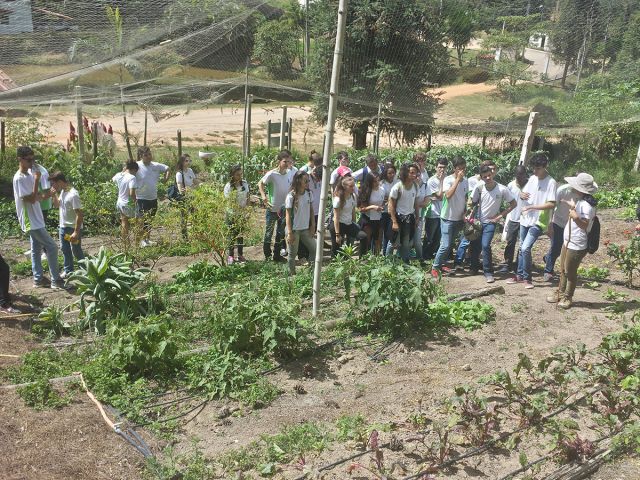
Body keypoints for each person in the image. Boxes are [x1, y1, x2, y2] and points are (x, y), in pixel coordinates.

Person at [13, 146, 66, 289]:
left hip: (36, 217)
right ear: (20, 159)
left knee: (36, 248)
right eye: (28, 160)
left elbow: (36, 197)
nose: (32, 162)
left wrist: (48, 195)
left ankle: (38, 279)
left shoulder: (29, 174)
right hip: (31, 220)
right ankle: (56, 280)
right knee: (52, 247)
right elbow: (30, 199)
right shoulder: (19, 178)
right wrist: (36, 181)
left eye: (33, 159)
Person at [547, 174, 598, 309]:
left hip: (577, 244)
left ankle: (568, 296)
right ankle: (560, 291)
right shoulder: (581, 201)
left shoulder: (587, 206)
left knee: (570, 271)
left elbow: (584, 225)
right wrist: (574, 207)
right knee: (563, 268)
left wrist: (575, 217)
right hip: (569, 240)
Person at [507, 153, 557, 289]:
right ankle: (520, 275)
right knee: (522, 248)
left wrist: (532, 206)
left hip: (539, 221)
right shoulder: (533, 179)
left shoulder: (551, 182)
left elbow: (552, 204)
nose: (535, 171)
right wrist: (522, 195)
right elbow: (525, 194)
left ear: (545, 166)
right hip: (525, 219)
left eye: (538, 168)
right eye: (533, 168)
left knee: (525, 247)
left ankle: (527, 278)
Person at [468, 165, 516, 283]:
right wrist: (469, 214)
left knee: (485, 245)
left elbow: (513, 204)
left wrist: (499, 216)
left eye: (489, 175)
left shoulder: (502, 189)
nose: (488, 178)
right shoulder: (479, 188)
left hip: (490, 222)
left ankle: (488, 272)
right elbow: (471, 202)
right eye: (485, 177)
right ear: (482, 178)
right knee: (475, 245)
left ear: (492, 174)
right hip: (478, 222)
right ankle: (474, 267)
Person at [431, 156, 468, 278]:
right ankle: (435, 266)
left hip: (458, 218)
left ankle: (441, 264)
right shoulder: (448, 180)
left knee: (450, 244)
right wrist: (457, 180)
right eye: (459, 169)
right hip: (447, 218)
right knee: (445, 245)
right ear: (454, 169)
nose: (461, 171)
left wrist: (465, 212)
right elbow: (448, 195)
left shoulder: (466, 181)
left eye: (463, 168)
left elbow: (465, 197)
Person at [542, 181, 581, 281]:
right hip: (558, 222)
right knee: (556, 246)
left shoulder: (582, 193)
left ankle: (548, 258)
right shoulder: (562, 190)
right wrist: (549, 223)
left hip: (572, 224)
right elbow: (552, 207)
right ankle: (548, 271)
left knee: (564, 248)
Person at [50, 172, 85, 278]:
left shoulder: (73, 194)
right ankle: (68, 271)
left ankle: (85, 270)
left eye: (54, 183)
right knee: (65, 249)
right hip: (63, 227)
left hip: (72, 228)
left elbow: (79, 214)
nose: (52, 186)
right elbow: (57, 205)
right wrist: (54, 194)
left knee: (76, 250)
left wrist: (76, 232)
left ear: (60, 182)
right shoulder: (62, 192)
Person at [259, 151, 291, 262]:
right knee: (269, 232)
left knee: (280, 233)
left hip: (283, 209)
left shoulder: (288, 173)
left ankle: (277, 255)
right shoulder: (272, 174)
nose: (287, 163)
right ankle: (267, 256)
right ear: (279, 161)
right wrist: (264, 196)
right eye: (284, 161)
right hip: (272, 208)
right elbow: (260, 183)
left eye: (288, 161)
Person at [135, 146, 169, 247]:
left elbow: (167, 168)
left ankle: (147, 239)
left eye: (150, 154)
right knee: (141, 220)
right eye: (146, 155)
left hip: (153, 198)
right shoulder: (137, 165)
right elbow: (126, 171)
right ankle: (140, 241)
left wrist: (165, 179)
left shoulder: (156, 165)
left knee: (149, 220)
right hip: (141, 198)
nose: (149, 156)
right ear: (141, 156)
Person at [497, 165, 528, 274]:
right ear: (515, 175)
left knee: (523, 244)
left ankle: (518, 265)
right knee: (510, 242)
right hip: (513, 218)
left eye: (522, 176)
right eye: (518, 176)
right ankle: (507, 263)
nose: (520, 179)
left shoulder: (531, 185)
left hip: (526, 220)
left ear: (525, 174)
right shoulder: (510, 185)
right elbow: (507, 201)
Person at [285, 171, 316, 275]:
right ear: (298, 181)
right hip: (294, 230)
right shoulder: (291, 196)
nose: (308, 182)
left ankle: (311, 273)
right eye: (305, 180)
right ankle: (291, 274)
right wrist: (289, 233)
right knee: (292, 254)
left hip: (305, 229)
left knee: (314, 249)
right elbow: (288, 215)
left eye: (308, 180)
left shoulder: (309, 193)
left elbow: (311, 210)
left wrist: (313, 225)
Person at [388, 163, 419, 263]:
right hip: (398, 217)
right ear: (406, 173)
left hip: (409, 218)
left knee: (406, 243)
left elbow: (416, 203)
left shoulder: (415, 186)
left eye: (415, 173)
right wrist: (394, 222)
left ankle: (404, 262)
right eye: (412, 172)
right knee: (393, 242)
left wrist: (417, 217)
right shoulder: (398, 187)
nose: (414, 175)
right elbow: (391, 205)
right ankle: (387, 262)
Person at [224, 165, 250, 265]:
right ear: (232, 175)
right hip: (231, 214)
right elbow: (229, 202)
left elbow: (248, 197)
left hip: (242, 214)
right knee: (231, 236)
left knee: (240, 235)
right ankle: (230, 256)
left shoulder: (244, 184)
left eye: (240, 174)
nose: (239, 176)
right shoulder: (228, 186)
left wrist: (247, 210)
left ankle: (240, 255)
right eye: (237, 174)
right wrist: (239, 210)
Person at [330, 176, 361, 257]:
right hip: (338, 225)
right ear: (344, 187)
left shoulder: (353, 196)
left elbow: (353, 212)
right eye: (351, 186)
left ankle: (361, 257)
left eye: (353, 186)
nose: (353, 188)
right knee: (337, 250)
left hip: (349, 224)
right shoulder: (338, 199)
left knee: (363, 237)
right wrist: (337, 234)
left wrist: (354, 225)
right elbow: (336, 217)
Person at [423, 157, 447, 260]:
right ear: (435, 168)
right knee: (429, 237)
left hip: (443, 213)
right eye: (440, 167)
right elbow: (441, 195)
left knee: (438, 238)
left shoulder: (448, 179)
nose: (442, 170)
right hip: (433, 213)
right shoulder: (431, 181)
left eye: (444, 167)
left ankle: (432, 256)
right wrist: (441, 181)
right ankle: (424, 256)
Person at [112, 161, 139, 250]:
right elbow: (132, 193)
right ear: (134, 169)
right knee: (137, 223)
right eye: (136, 171)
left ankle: (125, 245)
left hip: (120, 202)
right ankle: (136, 246)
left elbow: (113, 180)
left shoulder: (119, 175)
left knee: (124, 223)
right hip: (128, 203)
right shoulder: (132, 178)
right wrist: (136, 201)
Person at [357, 171, 384, 256]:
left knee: (378, 241)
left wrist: (383, 206)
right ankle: (363, 259)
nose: (377, 183)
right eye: (374, 181)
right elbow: (360, 209)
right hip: (368, 219)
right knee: (366, 241)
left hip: (379, 218)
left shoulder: (382, 190)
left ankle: (376, 260)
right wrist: (372, 207)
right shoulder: (366, 191)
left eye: (378, 180)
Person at [413, 163, 430, 264]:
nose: (417, 177)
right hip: (408, 215)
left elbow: (426, 202)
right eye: (416, 175)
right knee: (405, 240)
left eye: (419, 175)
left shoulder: (425, 186)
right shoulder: (409, 185)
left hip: (419, 216)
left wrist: (415, 204)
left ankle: (420, 258)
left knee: (417, 240)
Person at [380, 162, 398, 255]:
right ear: (385, 174)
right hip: (384, 211)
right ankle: (384, 253)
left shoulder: (397, 182)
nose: (391, 175)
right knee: (386, 234)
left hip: (395, 211)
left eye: (393, 173)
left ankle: (388, 254)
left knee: (391, 233)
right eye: (389, 173)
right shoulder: (382, 184)